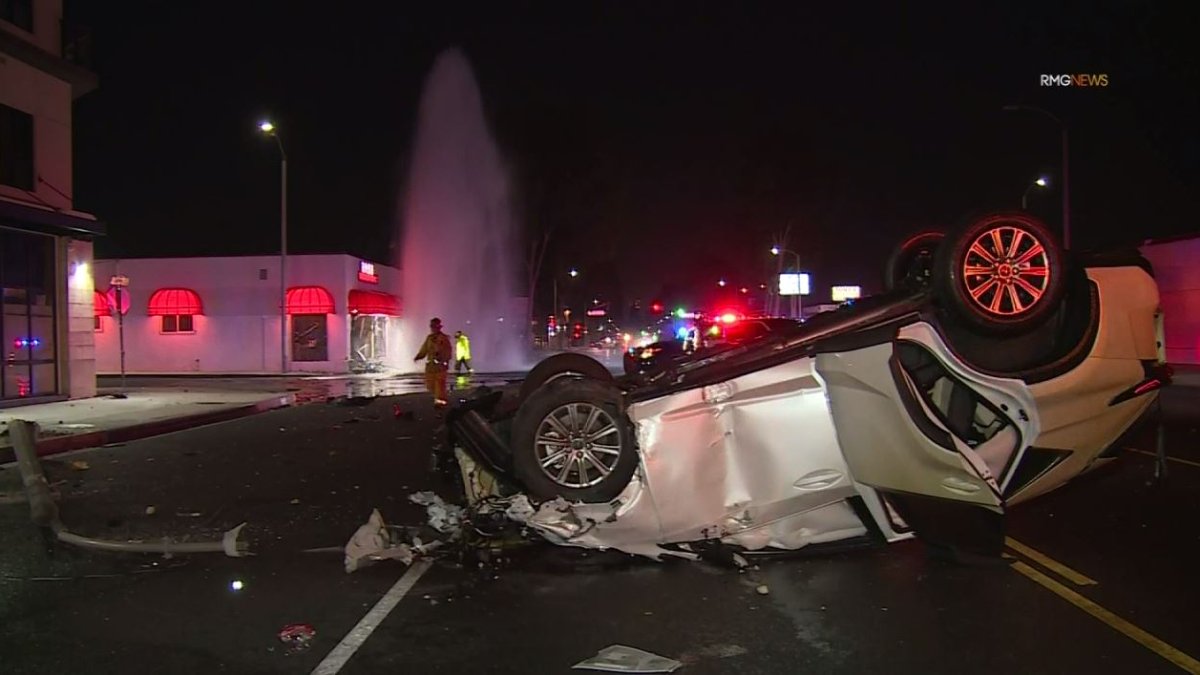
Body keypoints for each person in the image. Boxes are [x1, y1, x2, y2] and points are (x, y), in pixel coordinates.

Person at [413, 317, 453, 406]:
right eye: (431, 326)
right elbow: (424, 349)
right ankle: (438, 397)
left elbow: (448, 351)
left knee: (440, 383)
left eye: (434, 326)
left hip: (440, 366)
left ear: (438, 327)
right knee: (430, 384)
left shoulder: (444, 338)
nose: (432, 328)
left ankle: (440, 401)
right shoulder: (429, 338)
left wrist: (444, 360)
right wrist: (419, 356)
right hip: (430, 366)